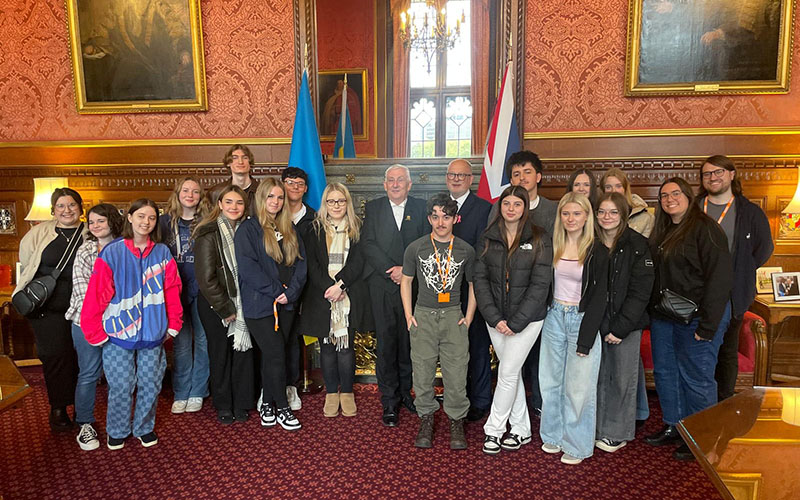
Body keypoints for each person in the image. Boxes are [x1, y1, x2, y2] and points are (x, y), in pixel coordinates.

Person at [81, 199, 183, 450]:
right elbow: (97, 294)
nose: (145, 222)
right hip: (117, 334)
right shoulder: (112, 252)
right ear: (129, 218)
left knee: (151, 383)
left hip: (153, 333)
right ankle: (117, 429)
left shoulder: (161, 253)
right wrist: (94, 330)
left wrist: (174, 323)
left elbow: (172, 289)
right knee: (121, 385)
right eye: (140, 216)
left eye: (151, 218)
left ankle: (144, 427)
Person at [645, 177, 733, 461]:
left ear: (688, 196)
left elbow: (719, 281)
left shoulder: (706, 230)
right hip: (665, 316)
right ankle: (674, 425)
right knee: (666, 373)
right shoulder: (663, 231)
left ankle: (701, 436)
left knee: (696, 378)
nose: (669, 199)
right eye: (663, 195)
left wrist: (708, 326)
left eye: (675, 193)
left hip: (699, 318)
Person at [473, 186, 552, 454]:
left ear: (525, 207)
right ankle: (521, 429)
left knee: (506, 373)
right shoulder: (487, 237)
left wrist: (516, 323)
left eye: (517, 204)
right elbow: (480, 281)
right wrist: (495, 319)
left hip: (527, 322)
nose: (511, 209)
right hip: (495, 320)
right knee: (512, 372)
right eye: (506, 203)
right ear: (500, 206)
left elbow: (540, 286)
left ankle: (493, 430)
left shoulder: (540, 237)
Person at [401, 193, 476, 449]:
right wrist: (409, 315)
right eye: (435, 216)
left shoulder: (466, 249)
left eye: (446, 216)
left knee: (457, 371)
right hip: (423, 315)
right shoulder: (416, 247)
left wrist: (468, 316)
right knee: (422, 370)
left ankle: (456, 419)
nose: (441, 222)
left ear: (456, 218)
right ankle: (426, 417)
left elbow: (473, 284)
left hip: (454, 316)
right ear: (429, 218)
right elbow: (407, 281)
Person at [539, 192, 608, 465]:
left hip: (582, 320)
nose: (571, 219)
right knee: (550, 381)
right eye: (566, 213)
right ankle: (553, 435)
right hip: (554, 315)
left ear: (587, 217)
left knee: (578, 387)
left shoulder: (597, 250)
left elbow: (601, 296)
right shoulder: (552, 245)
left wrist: (586, 339)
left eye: (577, 213)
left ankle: (577, 444)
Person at [698, 155, 773, 402]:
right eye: (707, 174)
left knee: (726, 352)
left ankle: (723, 404)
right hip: (696, 291)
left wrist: (742, 270)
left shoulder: (749, 212)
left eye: (718, 172)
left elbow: (763, 249)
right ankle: (698, 406)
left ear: (731, 174)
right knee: (697, 351)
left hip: (732, 294)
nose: (713, 177)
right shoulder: (695, 208)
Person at [235, 178, 306, 431]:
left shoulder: (289, 228)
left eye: (279, 197)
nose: (275, 202)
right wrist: (278, 292)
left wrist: (292, 293)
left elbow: (301, 265)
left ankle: (266, 403)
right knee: (276, 353)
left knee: (274, 356)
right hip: (261, 307)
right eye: (270, 197)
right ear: (261, 199)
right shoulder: (248, 230)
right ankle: (282, 408)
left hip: (286, 306)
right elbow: (248, 269)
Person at [363, 164, 430, 427]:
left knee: (408, 343)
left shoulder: (421, 207)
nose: (395, 184)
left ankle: (406, 394)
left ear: (409, 184)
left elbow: (427, 241)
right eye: (390, 180)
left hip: (412, 286)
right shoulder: (373, 208)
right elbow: (367, 243)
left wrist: (406, 270)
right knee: (386, 344)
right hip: (382, 285)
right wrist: (390, 270)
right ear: (384, 184)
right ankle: (389, 401)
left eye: (400, 180)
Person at [15, 187, 85, 432]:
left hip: (80, 308)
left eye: (72, 205)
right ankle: (58, 407)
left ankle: (80, 406)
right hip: (46, 309)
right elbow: (26, 263)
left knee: (78, 358)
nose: (67, 210)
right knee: (56, 356)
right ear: (53, 210)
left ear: (80, 208)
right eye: (61, 206)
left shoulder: (90, 233)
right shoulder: (38, 233)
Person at [494, 150, 558, 419]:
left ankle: (541, 405)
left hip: (543, 296)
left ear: (539, 176)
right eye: (516, 174)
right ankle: (514, 415)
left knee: (542, 358)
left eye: (527, 172)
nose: (522, 178)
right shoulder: (498, 208)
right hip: (507, 300)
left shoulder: (553, 210)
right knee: (511, 364)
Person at [302, 183, 371, 418]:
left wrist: (340, 285)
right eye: (331, 201)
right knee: (328, 347)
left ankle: (347, 392)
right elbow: (312, 264)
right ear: (325, 204)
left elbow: (359, 261)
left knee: (346, 347)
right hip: (322, 297)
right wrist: (329, 288)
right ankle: (332, 392)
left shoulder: (358, 227)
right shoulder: (314, 229)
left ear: (347, 203)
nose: (336, 205)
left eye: (341, 201)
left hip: (348, 296)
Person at [594, 193, 654, 454]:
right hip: (596, 324)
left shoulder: (638, 244)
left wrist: (619, 328)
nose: (607, 217)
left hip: (626, 326)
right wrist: (602, 325)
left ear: (623, 215)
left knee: (621, 379)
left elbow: (641, 292)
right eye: (602, 212)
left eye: (613, 212)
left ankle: (617, 432)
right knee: (596, 378)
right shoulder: (591, 242)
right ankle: (597, 427)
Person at [194, 185, 255, 425]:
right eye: (228, 202)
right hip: (216, 306)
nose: (234, 207)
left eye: (239, 203)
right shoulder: (207, 233)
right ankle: (223, 404)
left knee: (243, 355)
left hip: (245, 303)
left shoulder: (248, 230)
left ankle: (242, 403)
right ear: (219, 204)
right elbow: (206, 279)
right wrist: (226, 308)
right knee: (220, 355)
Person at [65, 203, 124, 450]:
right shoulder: (85, 250)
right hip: (85, 321)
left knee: (119, 376)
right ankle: (85, 424)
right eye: (91, 222)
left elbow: (128, 286)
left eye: (100, 220)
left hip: (120, 320)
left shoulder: (124, 248)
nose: (95, 226)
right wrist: (100, 315)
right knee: (89, 373)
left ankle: (118, 424)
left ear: (111, 221)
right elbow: (81, 290)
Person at [445, 158, 493, 422]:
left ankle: (480, 398)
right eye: (452, 174)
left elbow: (483, 247)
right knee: (452, 347)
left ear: (471, 179)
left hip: (472, 286)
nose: (456, 179)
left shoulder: (484, 208)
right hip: (442, 289)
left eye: (461, 175)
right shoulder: (439, 205)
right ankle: (457, 395)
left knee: (476, 343)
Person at [161, 176, 209, 415]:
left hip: (201, 291)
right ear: (177, 193)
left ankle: (198, 390)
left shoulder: (207, 222)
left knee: (203, 342)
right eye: (186, 190)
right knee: (180, 344)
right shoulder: (163, 223)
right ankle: (181, 391)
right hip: (173, 293)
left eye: (196, 191)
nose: (190, 195)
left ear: (201, 197)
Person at [281, 166, 317, 411]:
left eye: (299, 184)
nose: (294, 187)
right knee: (277, 338)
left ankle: (291, 385)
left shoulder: (314, 217)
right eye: (289, 182)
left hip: (307, 287)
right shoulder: (272, 213)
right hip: (278, 288)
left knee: (295, 337)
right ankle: (273, 386)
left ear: (305, 189)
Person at [601, 167, 654, 238]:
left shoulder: (645, 217)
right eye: (608, 187)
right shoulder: (598, 215)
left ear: (625, 189)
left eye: (618, 186)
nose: (613, 191)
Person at [207, 145, 260, 215]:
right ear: (228, 163)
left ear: (250, 163)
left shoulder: (261, 190)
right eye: (235, 158)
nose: (240, 162)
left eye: (245, 158)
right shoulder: (215, 193)